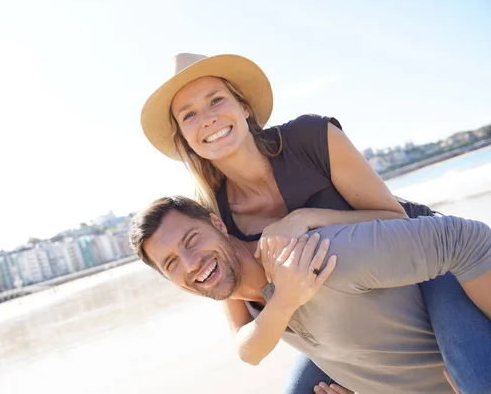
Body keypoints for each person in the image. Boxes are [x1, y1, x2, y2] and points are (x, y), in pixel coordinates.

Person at [139, 53, 491, 393]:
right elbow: (246, 335)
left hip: (423, 265)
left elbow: (393, 218)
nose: (208, 118)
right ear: (184, 137)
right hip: (336, 313)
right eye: (189, 115)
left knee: (471, 378)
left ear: (244, 106)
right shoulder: (211, 219)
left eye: (216, 100)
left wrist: (304, 218)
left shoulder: (308, 139)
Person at [128, 195, 491, 394]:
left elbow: (467, 239)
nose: (190, 264)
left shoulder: (319, 255)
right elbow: (248, 350)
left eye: (192, 240)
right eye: (171, 264)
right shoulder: (256, 311)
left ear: (218, 223)